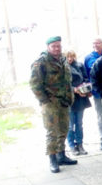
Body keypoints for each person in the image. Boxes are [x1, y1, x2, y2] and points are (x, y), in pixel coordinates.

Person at [29, 36, 77, 173]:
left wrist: (70, 96)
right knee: (52, 131)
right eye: (54, 46)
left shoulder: (62, 59)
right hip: (50, 103)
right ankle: (53, 159)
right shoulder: (41, 62)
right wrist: (44, 100)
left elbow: (67, 80)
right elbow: (34, 84)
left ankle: (62, 155)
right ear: (48, 47)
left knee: (63, 129)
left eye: (58, 46)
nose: (57, 48)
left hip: (64, 101)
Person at [65, 50, 91, 156]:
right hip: (69, 98)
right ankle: (72, 146)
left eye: (72, 56)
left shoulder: (79, 65)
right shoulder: (63, 67)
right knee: (70, 125)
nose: (70, 59)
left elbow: (85, 78)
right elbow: (62, 84)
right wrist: (74, 89)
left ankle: (80, 144)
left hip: (80, 98)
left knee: (79, 123)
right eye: (68, 57)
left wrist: (85, 88)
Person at [83, 37, 102, 150]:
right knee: (101, 117)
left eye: (98, 43)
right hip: (98, 92)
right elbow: (88, 73)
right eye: (94, 43)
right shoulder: (89, 57)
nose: (95, 45)